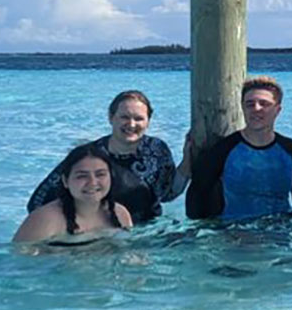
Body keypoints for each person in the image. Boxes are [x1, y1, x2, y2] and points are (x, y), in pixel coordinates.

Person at [26, 90, 179, 224]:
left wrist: (186, 164)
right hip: (107, 234)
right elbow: (37, 203)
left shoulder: (157, 149)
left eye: (139, 118)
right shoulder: (90, 156)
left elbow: (166, 195)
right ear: (111, 118)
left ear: (148, 122)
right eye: (124, 117)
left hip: (149, 229)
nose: (132, 124)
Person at [185, 77, 292, 221]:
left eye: (264, 104)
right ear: (242, 108)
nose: (256, 109)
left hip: (280, 232)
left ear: (277, 110)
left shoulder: (291, 150)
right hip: (235, 232)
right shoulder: (224, 150)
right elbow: (195, 203)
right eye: (250, 104)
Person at [14, 146, 135, 244]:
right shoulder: (45, 220)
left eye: (100, 174)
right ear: (66, 181)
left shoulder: (120, 214)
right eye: (82, 176)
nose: (92, 182)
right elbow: (19, 264)